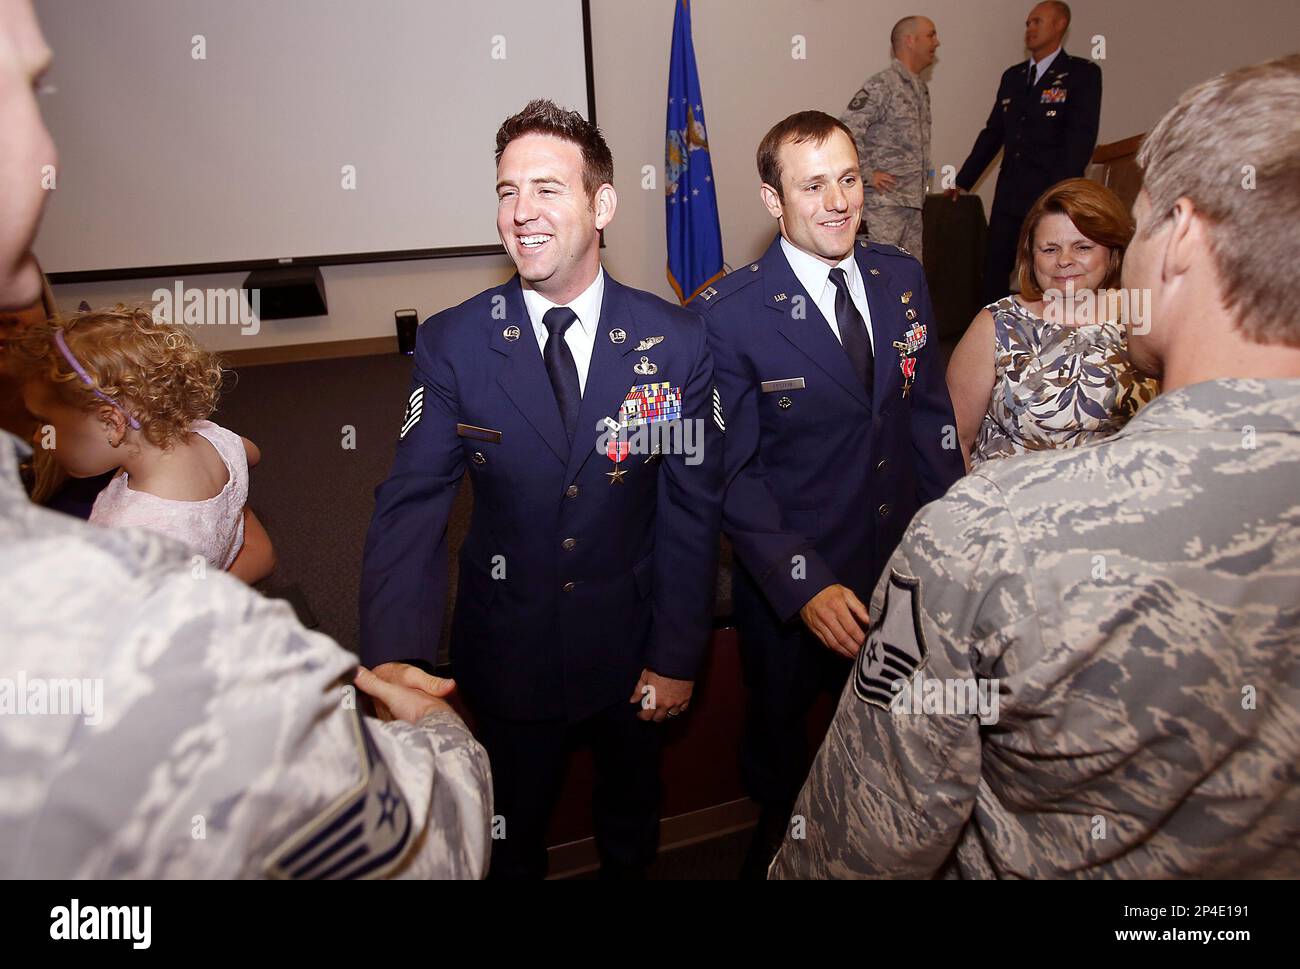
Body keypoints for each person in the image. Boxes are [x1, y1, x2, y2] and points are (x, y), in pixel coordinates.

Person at [771, 55, 1300, 880]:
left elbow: (860, 846)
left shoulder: (980, 543)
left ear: (1180, 238)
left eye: (1138, 224)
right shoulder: (991, 344)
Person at [0, 0, 492, 879]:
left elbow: (417, 847)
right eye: (28, 87)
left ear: (115, 423)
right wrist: (443, 731)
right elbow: (249, 498)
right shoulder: (212, 448)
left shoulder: (120, 558)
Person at [359, 99, 723, 879]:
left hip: (632, 648)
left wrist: (677, 652)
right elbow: (411, 505)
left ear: (603, 204)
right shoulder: (456, 342)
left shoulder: (677, 340)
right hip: (508, 652)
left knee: (631, 822)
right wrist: (394, 659)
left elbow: (690, 508)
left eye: (547, 189)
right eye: (505, 190)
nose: (520, 213)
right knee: (507, 833)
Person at [699, 110, 963, 877]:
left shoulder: (902, 279)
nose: (838, 200)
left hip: (904, 573)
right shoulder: (728, 315)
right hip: (796, 592)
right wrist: (804, 585)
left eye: (847, 178)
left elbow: (931, 422)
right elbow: (731, 474)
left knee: (905, 752)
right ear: (773, 200)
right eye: (812, 185)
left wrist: (952, 545)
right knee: (784, 768)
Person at [10, 306, 276, 584]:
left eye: (45, 423)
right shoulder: (214, 438)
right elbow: (249, 453)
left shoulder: (134, 534)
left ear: (112, 424)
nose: (40, 437)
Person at [946, 178, 1158, 468]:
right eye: (1049, 249)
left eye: (1082, 247)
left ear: (1113, 251)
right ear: (1030, 256)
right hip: (1010, 502)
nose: (1064, 261)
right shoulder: (998, 323)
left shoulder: (1144, 316)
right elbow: (956, 437)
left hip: (1121, 502)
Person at [947, 2, 1101, 304]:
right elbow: (993, 134)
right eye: (1028, 23)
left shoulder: (1081, 74)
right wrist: (963, 180)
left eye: (1037, 22)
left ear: (1060, 25)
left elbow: (1080, 139)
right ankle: (993, 339)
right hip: (1010, 195)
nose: (1029, 29)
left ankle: (1052, 339)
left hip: (1049, 196)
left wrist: (1060, 197)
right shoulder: (1014, 77)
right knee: (994, 270)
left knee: (1048, 270)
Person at [840, 15, 939, 260]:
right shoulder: (883, 84)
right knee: (878, 275)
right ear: (910, 40)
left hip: (912, 206)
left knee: (908, 279)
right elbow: (846, 128)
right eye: (931, 35)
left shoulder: (919, 88)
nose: (937, 42)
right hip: (883, 207)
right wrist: (866, 173)